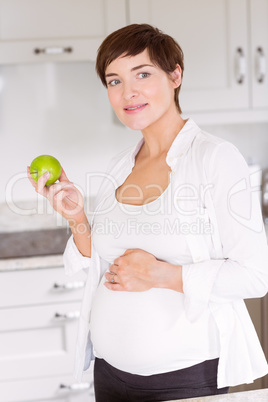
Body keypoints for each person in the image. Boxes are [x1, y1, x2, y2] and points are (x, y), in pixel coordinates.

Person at [27, 24, 268, 402]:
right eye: (114, 80)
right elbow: (100, 266)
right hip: (109, 376)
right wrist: (77, 219)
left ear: (175, 75)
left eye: (143, 74)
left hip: (182, 380)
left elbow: (256, 276)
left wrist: (162, 274)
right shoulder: (119, 166)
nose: (128, 92)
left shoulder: (215, 158)